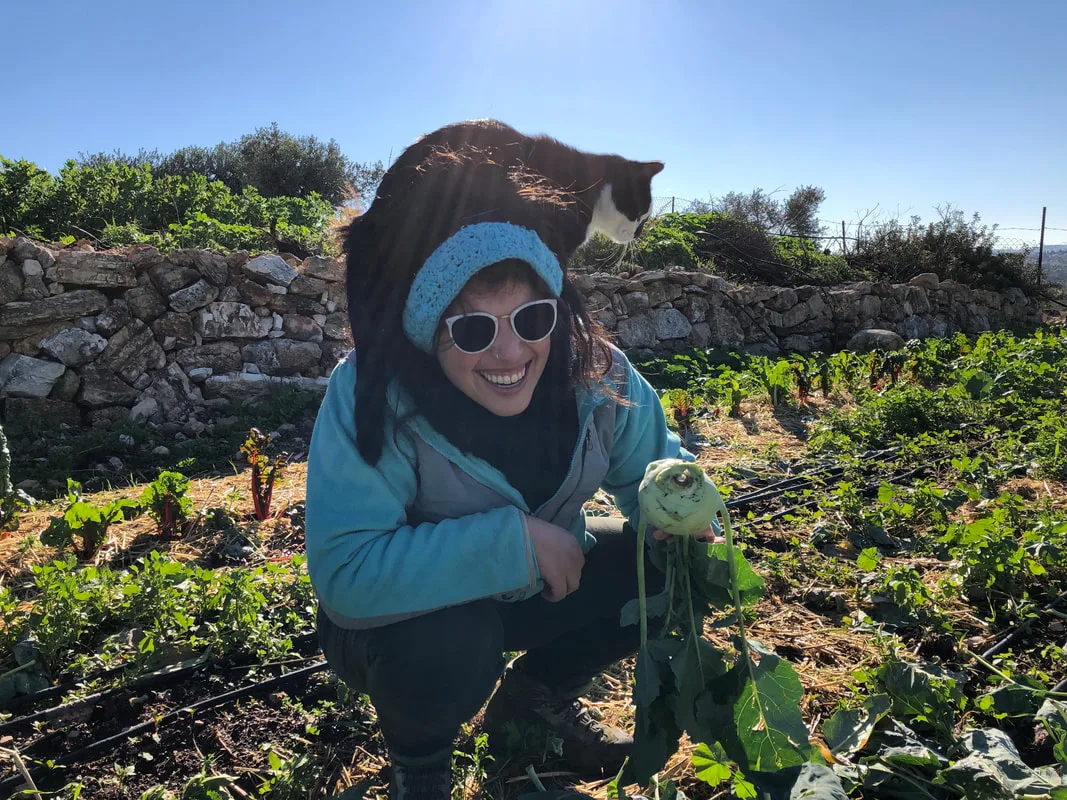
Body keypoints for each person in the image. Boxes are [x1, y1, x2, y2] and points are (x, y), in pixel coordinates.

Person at [304, 152, 717, 800]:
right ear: (427, 327)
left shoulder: (599, 376)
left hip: (529, 595)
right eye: (472, 329)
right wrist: (514, 543)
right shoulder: (371, 394)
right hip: (398, 622)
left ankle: (532, 700)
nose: (509, 352)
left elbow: (654, 468)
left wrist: (681, 516)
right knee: (446, 641)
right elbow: (347, 574)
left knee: (668, 571)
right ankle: (421, 760)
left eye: (530, 319)